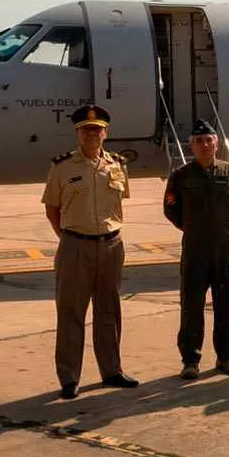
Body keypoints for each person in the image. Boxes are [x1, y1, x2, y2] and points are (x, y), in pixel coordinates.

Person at [41, 104, 138, 399]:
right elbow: (52, 210)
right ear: (77, 133)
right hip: (75, 245)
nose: (91, 134)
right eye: (86, 129)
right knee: (71, 312)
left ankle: (112, 370)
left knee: (109, 310)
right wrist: (72, 238)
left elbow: (119, 204)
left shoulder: (117, 165)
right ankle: (69, 377)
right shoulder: (62, 167)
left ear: (105, 133)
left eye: (96, 129)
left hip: (111, 245)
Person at [163, 119, 229, 380]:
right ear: (191, 145)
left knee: (226, 303)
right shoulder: (181, 176)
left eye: (208, 140)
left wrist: (223, 225)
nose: (204, 145)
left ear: (216, 144)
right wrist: (192, 228)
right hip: (194, 248)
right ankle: (190, 360)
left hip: (223, 247)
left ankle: (226, 356)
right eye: (199, 141)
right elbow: (171, 209)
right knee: (192, 304)